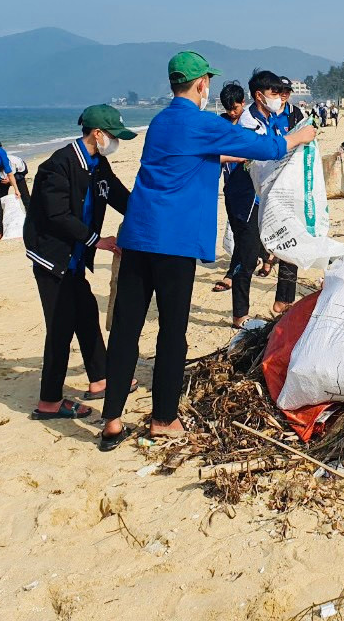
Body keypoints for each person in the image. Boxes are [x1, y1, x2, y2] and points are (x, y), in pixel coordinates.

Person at [99, 51, 315, 450]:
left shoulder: (161, 122)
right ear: (202, 85)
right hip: (173, 242)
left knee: (126, 330)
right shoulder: (201, 122)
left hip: (136, 236)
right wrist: (299, 137)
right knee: (171, 332)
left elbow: (199, 157)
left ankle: (111, 420)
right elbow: (266, 148)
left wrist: (233, 153)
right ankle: (163, 418)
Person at [23, 105, 134, 419]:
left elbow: (119, 196)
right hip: (52, 257)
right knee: (60, 327)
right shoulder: (57, 165)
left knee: (85, 314)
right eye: (113, 136)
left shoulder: (98, 164)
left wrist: (147, 215)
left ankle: (100, 380)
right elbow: (57, 216)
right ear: (97, 133)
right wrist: (99, 241)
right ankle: (49, 402)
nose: (116, 142)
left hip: (75, 256)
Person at [242, 71, 302, 315]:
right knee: (247, 257)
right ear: (260, 95)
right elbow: (263, 151)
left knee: (291, 244)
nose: (281, 98)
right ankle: (240, 313)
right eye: (275, 93)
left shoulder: (278, 116)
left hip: (279, 193)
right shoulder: (249, 122)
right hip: (253, 197)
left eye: (283, 93)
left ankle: (283, 301)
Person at [217, 80, 265, 324]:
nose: (231, 112)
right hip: (236, 195)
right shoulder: (224, 126)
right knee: (246, 256)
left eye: (234, 108)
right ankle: (240, 315)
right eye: (228, 108)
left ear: (242, 103)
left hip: (251, 195)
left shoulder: (252, 125)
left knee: (246, 251)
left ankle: (239, 306)